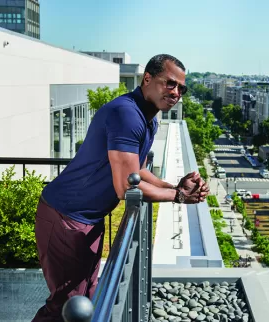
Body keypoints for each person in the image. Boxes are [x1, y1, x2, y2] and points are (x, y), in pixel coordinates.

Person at [32, 54, 209, 322]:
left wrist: (173, 186)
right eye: (169, 84)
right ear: (147, 79)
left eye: (181, 88)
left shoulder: (147, 118)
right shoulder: (127, 114)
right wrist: (179, 196)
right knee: (66, 308)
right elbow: (126, 188)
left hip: (86, 220)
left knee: (87, 298)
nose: (176, 93)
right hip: (65, 218)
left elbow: (136, 170)